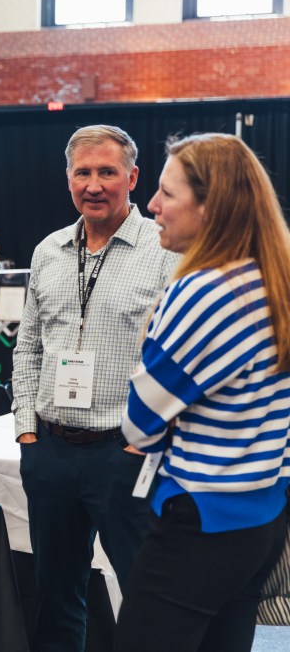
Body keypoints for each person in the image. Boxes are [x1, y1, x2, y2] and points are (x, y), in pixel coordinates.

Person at [114, 133, 290, 652]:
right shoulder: (273, 277)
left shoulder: (204, 291)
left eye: (167, 193)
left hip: (202, 521)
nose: (152, 205)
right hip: (263, 516)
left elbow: (139, 426)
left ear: (210, 208)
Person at [12, 124, 179, 650]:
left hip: (124, 454)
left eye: (107, 172)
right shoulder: (48, 251)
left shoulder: (166, 250)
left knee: (149, 598)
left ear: (132, 177)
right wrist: (27, 433)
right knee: (56, 596)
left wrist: (140, 444)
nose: (94, 185)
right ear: (68, 179)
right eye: (82, 172)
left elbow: (177, 358)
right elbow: (28, 347)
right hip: (51, 450)